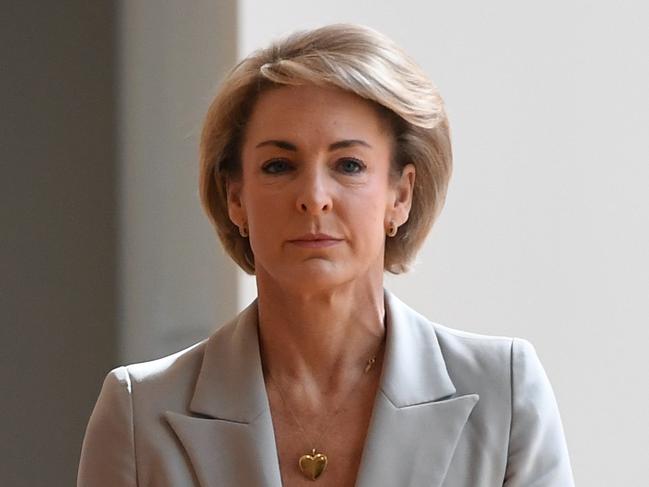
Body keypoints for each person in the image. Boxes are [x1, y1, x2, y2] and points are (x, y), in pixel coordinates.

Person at [77, 23, 575, 487]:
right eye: (278, 165)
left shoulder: (504, 392)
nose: (314, 196)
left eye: (349, 164)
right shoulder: (140, 410)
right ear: (235, 198)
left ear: (399, 195)